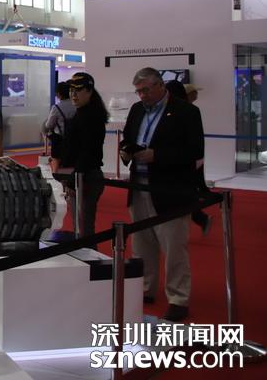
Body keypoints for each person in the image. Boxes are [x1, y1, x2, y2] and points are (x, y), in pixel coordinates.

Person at [120, 67, 204, 322]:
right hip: (139, 186)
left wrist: (157, 156)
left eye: (146, 90)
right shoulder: (137, 109)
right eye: (138, 91)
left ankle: (178, 298)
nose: (142, 95)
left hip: (170, 189)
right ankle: (145, 288)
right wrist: (126, 151)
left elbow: (194, 151)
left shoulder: (186, 111)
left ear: (160, 85)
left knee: (173, 246)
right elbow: (128, 137)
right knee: (142, 243)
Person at [53, 73, 108, 237]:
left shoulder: (90, 116)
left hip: (85, 177)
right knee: (80, 227)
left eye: (78, 90)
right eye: (71, 90)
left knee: (84, 230)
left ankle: (89, 254)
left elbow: (87, 152)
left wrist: (73, 179)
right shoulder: (83, 112)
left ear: (89, 91)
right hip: (80, 175)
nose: (73, 94)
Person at [165, 82, 211, 235]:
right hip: (186, 160)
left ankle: (200, 217)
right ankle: (200, 216)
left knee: (185, 191)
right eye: (194, 92)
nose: (196, 95)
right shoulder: (187, 110)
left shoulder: (189, 111)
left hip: (184, 161)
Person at [43, 82, 76, 162]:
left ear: (58, 94)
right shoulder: (76, 105)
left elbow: (49, 125)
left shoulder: (56, 107)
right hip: (74, 139)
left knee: (56, 160)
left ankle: (55, 168)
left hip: (60, 140)